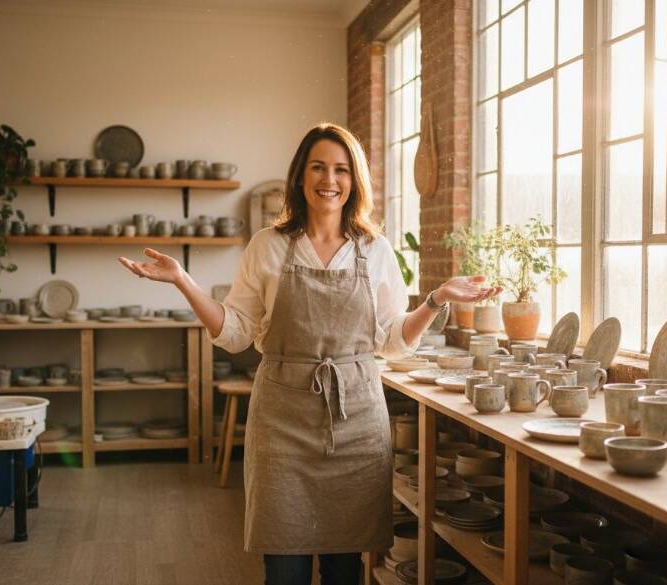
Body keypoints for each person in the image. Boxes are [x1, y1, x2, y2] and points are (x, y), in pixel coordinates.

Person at [118, 122, 495, 585]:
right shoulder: (268, 245)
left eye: (341, 169)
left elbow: (393, 340)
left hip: (357, 420)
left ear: (354, 181)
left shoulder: (374, 249)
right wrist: (183, 281)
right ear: (300, 176)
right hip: (281, 423)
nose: (329, 179)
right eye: (318, 167)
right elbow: (235, 332)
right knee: (284, 566)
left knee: (343, 569)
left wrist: (435, 299)